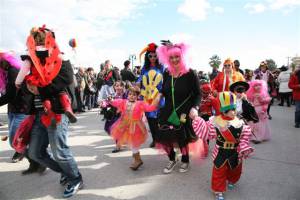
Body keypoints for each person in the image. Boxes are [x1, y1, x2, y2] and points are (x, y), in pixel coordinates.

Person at [23, 26, 83, 198]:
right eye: (36, 40)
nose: (39, 43)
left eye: (42, 39)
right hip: (38, 113)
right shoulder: (32, 60)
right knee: (35, 152)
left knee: (60, 151)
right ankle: (66, 171)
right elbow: (26, 84)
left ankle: (75, 178)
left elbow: (67, 80)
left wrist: (39, 88)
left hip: (56, 111)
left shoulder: (61, 58)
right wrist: (29, 86)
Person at [192, 91, 254, 200]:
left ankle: (231, 180)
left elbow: (244, 136)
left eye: (234, 109)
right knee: (219, 171)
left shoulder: (240, 122)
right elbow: (206, 132)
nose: (233, 112)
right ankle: (218, 190)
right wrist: (196, 119)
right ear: (223, 110)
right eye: (229, 110)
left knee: (235, 168)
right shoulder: (215, 121)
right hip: (220, 151)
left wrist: (243, 147)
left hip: (235, 151)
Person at [15, 26, 77, 123]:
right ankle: (68, 108)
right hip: (50, 77)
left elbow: (24, 70)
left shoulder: (30, 54)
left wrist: (18, 82)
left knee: (45, 97)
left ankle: (48, 109)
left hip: (37, 81)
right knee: (61, 92)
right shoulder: (54, 52)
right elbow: (67, 71)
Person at [155, 41, 201, 173]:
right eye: (171, 57)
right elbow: (164, 90)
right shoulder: (167, 73)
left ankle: (185, 160)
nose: (174, 60)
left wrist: (195, 107)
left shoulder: (190, 73)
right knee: (164, 136)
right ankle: (172, 159)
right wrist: (160, 94)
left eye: (177, 57)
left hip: (184, 111)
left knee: (182, 138)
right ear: (167, 59)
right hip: (168, 110)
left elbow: (198, 93)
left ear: (182, 57)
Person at [109, 86, 160, 170]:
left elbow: (149, 108)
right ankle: (137, 158)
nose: (131, 96)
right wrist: (110, 100)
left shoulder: (140, 103)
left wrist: (156, 101)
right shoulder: (124, 102)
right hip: (125, 125)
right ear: (127, 95)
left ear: (138, 96)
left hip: (136, 127)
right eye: (130, 94)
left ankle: (137, 160)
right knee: (132, 144)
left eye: (134, 95)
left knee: (134, 143)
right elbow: (116, 102)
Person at [0, 51, 28, 162]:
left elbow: (11, 95)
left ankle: (31, 152)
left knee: (13, 139)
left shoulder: (13, 71)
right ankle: (25, 151)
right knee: (15, 139)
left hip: (21, 110)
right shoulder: (6, 73)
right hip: (13, 109)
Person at [138, 42, 164, 147]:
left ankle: (162, 139)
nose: (153, 58)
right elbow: (140, 79)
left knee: (160, 120)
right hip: (147, 97)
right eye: (150, 56)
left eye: (155, 55)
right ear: (147, 56)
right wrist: (136, 85)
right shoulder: (145, 68)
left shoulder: (162, 67)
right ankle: (155, 139)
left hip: (159, 97)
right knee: (151, 120)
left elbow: (165, 80)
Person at [100, 80, 127, 152]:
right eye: (116, 86)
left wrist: (121, 108)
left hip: (123, 115)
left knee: (116, 129)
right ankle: (121, 141)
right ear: (114, 87)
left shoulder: (125, 95)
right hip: (114, 115)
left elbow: (128, 103)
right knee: (107, 127)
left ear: (123, 87)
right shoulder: (113, 95)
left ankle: (118, 146)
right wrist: (103, 104)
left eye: (120, 86)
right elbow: (108, 102)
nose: (118, 87)